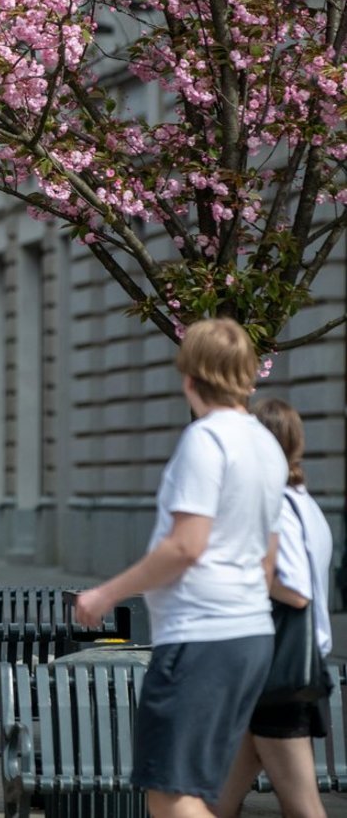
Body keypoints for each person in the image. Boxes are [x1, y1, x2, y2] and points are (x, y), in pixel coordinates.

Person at [74, 318, 288, 818]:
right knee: (198, 791)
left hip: (200, 638)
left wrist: (106, 594)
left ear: (189, 375)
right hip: (249, 634)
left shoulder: (205, 440)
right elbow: (268, 556)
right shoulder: (267, 446)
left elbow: (185, 546)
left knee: (169, 792)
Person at [216, 398, 333, 818]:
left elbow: (296, 591)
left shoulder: (279, 504)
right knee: (213, 803)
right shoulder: (304, 504)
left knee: (302, 806)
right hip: (272, 672)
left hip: (275, 674)